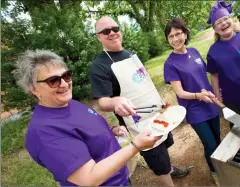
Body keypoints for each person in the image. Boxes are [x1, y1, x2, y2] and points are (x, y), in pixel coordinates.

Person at [12, 49, 160, 186]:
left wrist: (112, 130)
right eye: (53, 80)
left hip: (120, 179)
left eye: (66, 76)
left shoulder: (70, 103)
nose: (64, 84)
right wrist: (135, 146)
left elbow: (86, 129)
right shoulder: (44, 132)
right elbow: (88, 178)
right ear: (33, 88)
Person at [89, 16, 190, 186]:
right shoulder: (99, 66)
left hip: (158, 112)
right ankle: (168, 179)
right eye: (106, 31)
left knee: (164, 145)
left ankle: (170, 169)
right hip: (139, 122)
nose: (112, 33)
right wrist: (115, 102)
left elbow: (143, 83)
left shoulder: (130, 54)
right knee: (155, 154)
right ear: (98, 36)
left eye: (115, 28)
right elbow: (103, 102)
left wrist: (159, 102)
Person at [163, 18, 221, 185]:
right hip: (194, 108)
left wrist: (210, 92)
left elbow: (203, 76)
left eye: (178, 34)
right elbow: (179, 92)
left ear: (185, 33)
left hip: (209, 102)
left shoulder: (194, 52)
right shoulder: (170, 64)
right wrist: (198, 95)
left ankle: (223, 167)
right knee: (209, 143)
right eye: (171, 36)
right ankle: (215, 171)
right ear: (168, 40)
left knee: (217, 138)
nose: (175, 39)